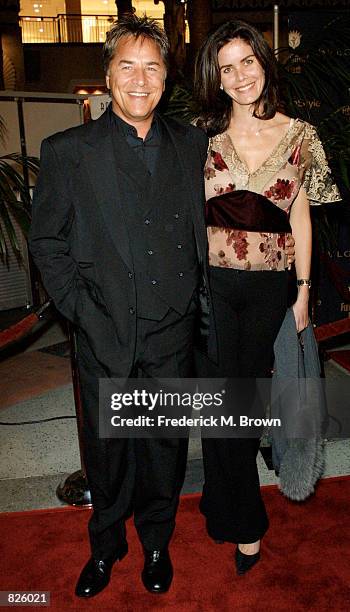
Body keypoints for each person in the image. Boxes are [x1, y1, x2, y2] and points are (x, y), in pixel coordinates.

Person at [29, 14, 212, 598]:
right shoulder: (67, 151)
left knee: (163, 449)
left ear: (167, 78)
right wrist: (80, 310)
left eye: (152, 67)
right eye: (127, 66)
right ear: (107, 76)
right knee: (108, 455)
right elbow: (47, 242)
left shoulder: (192, 144)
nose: (140, 80)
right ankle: (106, 548)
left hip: (170, 333)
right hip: (103, 333)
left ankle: (157, 543)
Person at [194, 19, 341, 576]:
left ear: (263, 62)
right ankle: (221, 499)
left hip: (266, 291)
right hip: (209, 285)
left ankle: (247, 523)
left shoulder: (302, 136)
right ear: (217, 77)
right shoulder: (199, 138)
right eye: (226, 67)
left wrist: (305, 289)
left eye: (247, 61)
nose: (239, 76)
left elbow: (302, 218)